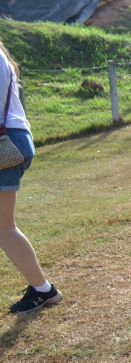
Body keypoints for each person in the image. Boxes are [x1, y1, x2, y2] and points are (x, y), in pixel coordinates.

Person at [0, 40, 62, 314]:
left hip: (5, 142)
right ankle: (42, 288)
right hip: (14, 137)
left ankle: (43, 289)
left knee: (4, 226)